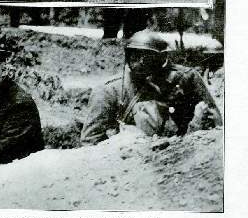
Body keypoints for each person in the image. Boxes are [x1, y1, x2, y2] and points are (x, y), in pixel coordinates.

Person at [80, 30, 222, 145]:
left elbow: (216, 125)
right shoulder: (110, 91)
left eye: (148, 57)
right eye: (135, 56)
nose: (140, 62)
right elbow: (90, 142)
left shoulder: (185, 78)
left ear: (162, 59)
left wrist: (196, 123)